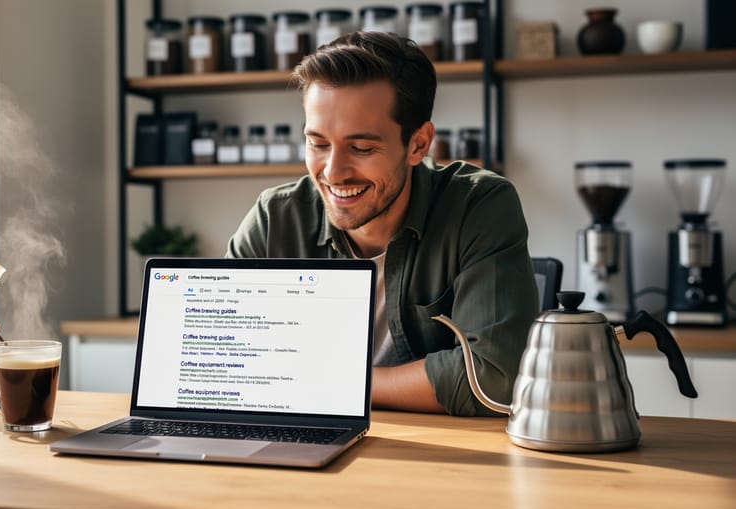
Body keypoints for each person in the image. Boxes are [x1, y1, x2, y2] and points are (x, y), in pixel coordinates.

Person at [225, 31, 539, 416]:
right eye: (318, 143)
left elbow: (494, 380)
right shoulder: (275, 217)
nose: (333, 172)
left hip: (440, 457)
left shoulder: (479, 205)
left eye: (361, 148)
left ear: (419, 145)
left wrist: (331, 382)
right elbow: (225, 365)